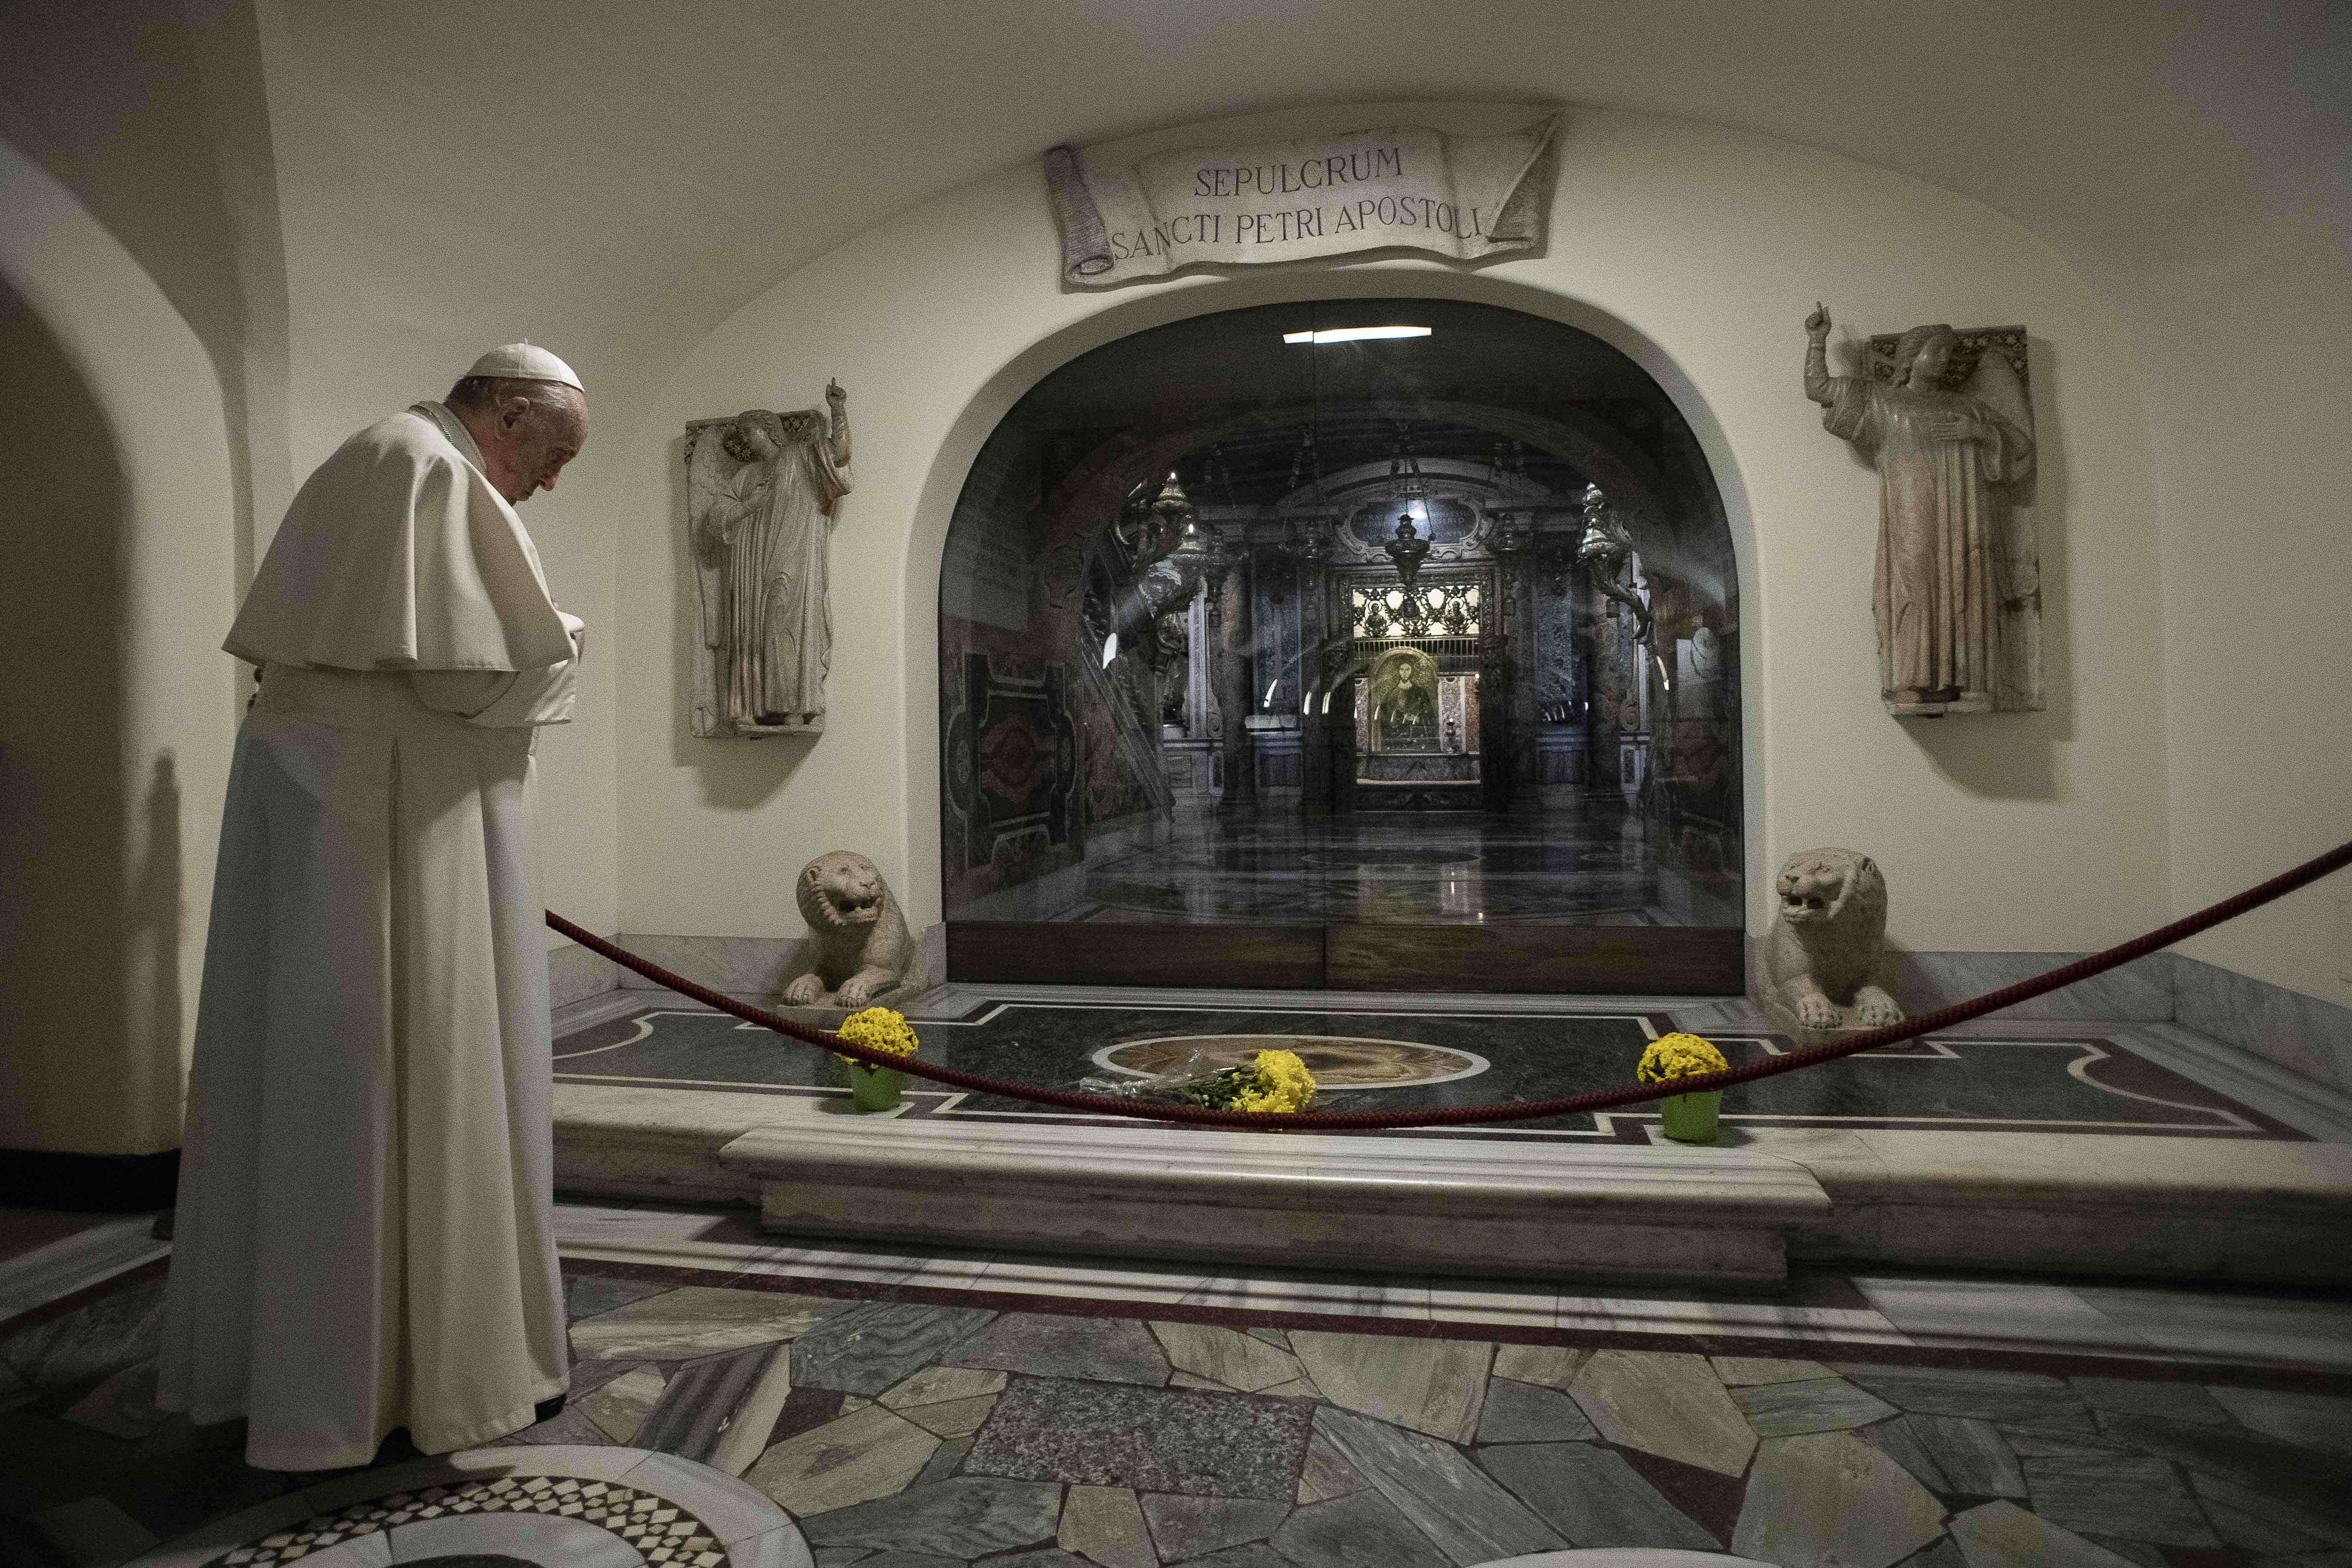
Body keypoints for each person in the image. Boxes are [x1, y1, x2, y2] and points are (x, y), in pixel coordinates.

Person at [156, 343, 590, 1470]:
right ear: (506, 408)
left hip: (374, 792)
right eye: (552, 453)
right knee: (384, 1066)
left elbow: (454, 647)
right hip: (382, 808)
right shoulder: (418, 463)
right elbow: (470, 673)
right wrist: (565, 645)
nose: (550, 482)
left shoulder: (411, 460)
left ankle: (368, 1368)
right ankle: (393, 1379)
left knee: (371, 1068)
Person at [1802, 305, 2034, 714]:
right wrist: (1818, 340)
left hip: (1964, 513)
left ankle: (1972, 684)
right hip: (1912, 512)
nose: (1944, 360)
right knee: (1914, 582)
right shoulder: (1883, 401)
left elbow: (2020, 448)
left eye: (1948, 353)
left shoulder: (1964, 407)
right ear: (1911, 357)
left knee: (1968, 582)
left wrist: (1980, 434)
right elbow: (1819, 389)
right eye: (1936, 351)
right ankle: (1911, 681)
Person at [697, 381, 851, 731]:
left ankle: (795, 708)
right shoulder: (747, 475)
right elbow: (716, 516)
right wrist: (750, 505)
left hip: (793, 559)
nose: (746, 441)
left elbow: (840, 454)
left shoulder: (801, 457)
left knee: (786, 626)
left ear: (769, 431)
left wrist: (838, 410)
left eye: (750, 433)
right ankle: (752, 709)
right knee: (752, 633)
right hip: (751, 569)